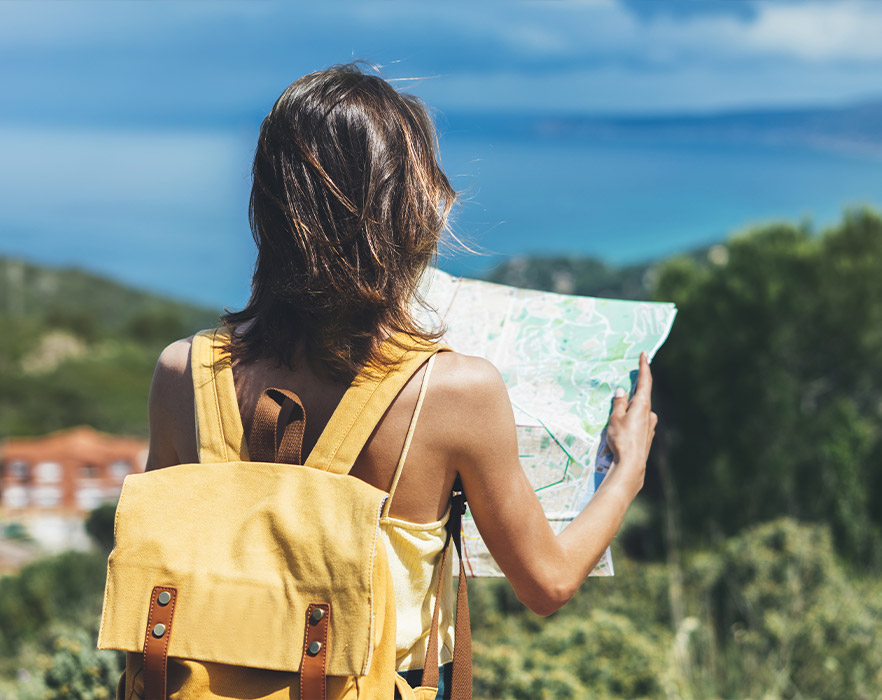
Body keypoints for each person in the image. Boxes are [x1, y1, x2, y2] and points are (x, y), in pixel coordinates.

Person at [145, 62, 656, 699]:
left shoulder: (181, 374)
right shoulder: (455, 392)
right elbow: (547, 583)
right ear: (405, 209)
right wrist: (626, 470)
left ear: (270, 205)